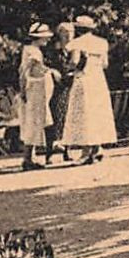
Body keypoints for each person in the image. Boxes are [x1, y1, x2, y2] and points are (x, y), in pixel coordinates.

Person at [62, 13, 116, 165]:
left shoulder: (76, 43)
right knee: (97, 113)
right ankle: (97, 148)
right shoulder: (102, 43)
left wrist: (69, 69)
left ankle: (86, 152)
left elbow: (74, 62)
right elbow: (105, 64)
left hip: (84, 79)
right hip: (98, 80)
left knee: (84, 114)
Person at [17, 22, 60, 171]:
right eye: (44, 37)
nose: (47, 40)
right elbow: (24, 72)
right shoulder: (33, 52)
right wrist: (23, 90)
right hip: (34, 90)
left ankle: (31, 157)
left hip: (36, 89)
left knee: (37, 121)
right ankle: (27, 158)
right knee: (33, 122)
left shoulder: (30, 49)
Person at [44, 19, 77, 164]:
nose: (68, 35)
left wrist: (74, 73)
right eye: (65, 33)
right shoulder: (53, 50)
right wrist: (52, 71)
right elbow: (45, 65)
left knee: (68, 118)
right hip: (56, 88)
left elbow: (82, 67)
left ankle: (67, 150)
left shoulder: (77, 50)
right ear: (59, 34)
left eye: (70, 32)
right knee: (54, 118)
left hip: (71, 87)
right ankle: (50, 152)